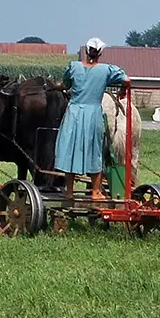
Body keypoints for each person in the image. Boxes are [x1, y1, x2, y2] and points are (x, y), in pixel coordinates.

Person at [54, 37, 127, 199]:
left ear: (86, 51)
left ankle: (70, 191)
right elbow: (126, 80)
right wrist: (123, 90)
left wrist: (54, 86)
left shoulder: (74, 67)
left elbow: (65, 85)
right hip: (93, 113)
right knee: (95, 150)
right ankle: (95, 191)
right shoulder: (106, 70)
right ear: (100, 52)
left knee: (70, 149)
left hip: (74, 113)